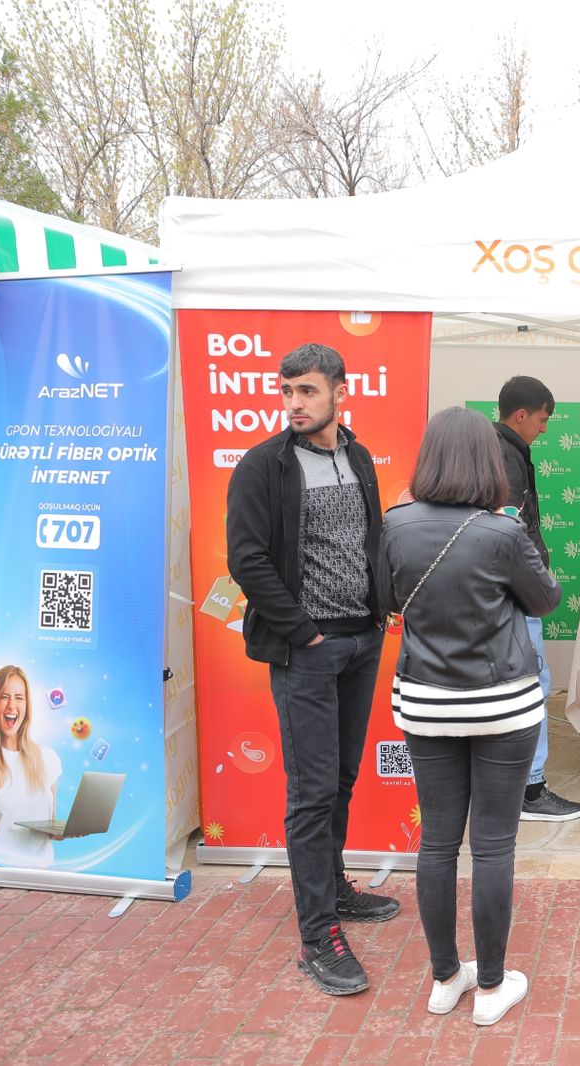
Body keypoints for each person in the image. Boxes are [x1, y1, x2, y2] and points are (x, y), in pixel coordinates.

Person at [226, 342, 399, 997]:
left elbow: (370, 541)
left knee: (343, 779)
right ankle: (318, 936)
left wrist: (380, 608)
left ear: (339, 392)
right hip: (308, 651)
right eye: (287, 391)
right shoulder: (263, 466)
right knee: (312, 791)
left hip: (362, 642)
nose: (294, 403)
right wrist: (304, 632)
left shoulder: (359, 458)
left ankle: (335, 890)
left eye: (307, 391)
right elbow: (246, 559)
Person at [381, 406, 561, 1026]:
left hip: (426, 702)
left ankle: (444, 979)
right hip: (502, 704)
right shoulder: (502, 531)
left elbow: (384, 598)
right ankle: (490, 987)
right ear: (488, 462)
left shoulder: (395, 524)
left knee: (436, 843)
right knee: (492, 846)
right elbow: (546, 599)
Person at [493, 375, 580, 823]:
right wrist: (535, 585)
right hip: (515, 594)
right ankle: (530, 789)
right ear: (521, 415)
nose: (545, 429)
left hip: (500, 593)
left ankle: (510, 785)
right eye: (543, 419)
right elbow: (511, 532)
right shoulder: (505, 456)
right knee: (533, 686)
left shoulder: (498, 450)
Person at [0, 664, 62, 868]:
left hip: (43, 872)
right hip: (1, 873)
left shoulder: (48, 758)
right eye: (4, 697)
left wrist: (63, 831)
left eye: (19, 697)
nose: (11, 706)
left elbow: (49, 826)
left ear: (27, 706)